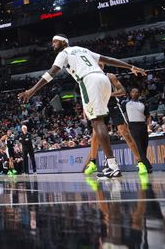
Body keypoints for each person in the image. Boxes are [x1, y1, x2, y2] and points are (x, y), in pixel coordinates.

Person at [18, 34, 145, 179]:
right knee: (99, 122)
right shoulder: (82, 49)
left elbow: (51, 73)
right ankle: (107, 164)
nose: (53, 44)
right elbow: (107, 59)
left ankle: (113, 166)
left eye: (55, 41)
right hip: (103, 79)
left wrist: (31, 90)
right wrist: (131, 66)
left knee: (97, 122)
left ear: (64, 42)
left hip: (89, 81)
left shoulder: (64, 53)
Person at [82, 73, 147, 175]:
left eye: (101, 63)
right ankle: (93, 162)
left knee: (125, 133)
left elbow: (122, 91)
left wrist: (108, 94)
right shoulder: (89, 77)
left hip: (113, 105)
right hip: (99, 107)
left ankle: (140, 163)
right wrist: (85, 109)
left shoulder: (110, 76)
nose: (99, 64)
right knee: (95, 136)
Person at [125, 88, 153, 173]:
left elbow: (148, 116)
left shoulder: (143, 104)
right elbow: (124, 116)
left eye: (137, 92)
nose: (135, 93)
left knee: (144, 146)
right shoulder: (126, 104)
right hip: (133, 126)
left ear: (139, 94)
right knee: (139, 147)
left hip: (143, 125)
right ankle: (148, 166)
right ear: (130, 93)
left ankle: (142, 165)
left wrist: (149, 125)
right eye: (133, 91)